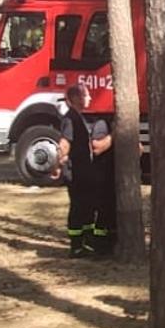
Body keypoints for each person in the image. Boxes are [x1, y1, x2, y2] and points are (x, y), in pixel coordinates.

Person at [57, 85, 116, 258]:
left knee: (86, 208)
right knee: (77, 208)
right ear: (76, 98)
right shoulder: (70, 120)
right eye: (86, 95)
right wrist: (57, 165)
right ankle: (75, 246)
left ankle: (87, 241)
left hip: (83, 173)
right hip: (75, 173)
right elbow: (64, 144)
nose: (89, 98)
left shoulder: (78, 117)